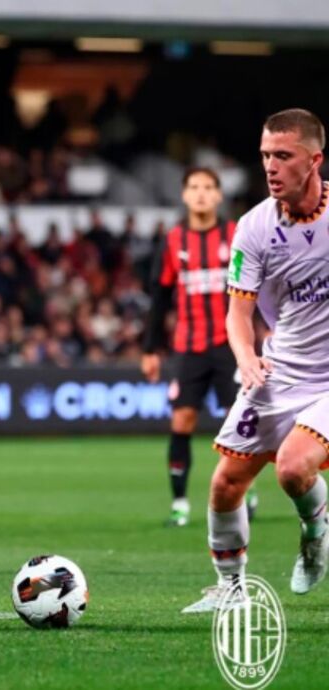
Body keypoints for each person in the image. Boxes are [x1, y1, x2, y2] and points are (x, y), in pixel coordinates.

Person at [183, 109, 329, 613]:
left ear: (314, 161)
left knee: (292, 468)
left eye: (283, 155)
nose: (270, 165)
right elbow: (237, 314)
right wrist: (246, 358)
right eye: (266, 154)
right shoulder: (253, 227)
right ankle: (232, 587)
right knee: (226, 482)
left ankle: (315, 532)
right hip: (279, 369)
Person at [141, 168, 253, 527]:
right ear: (185, 195)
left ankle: (244, 491)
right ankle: (180, 504)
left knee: (237, 422)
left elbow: (259, 287)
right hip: (188, 347)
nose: (202, 194)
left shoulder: (235, 234)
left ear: (219, 196)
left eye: (208, 187)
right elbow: (159, 298)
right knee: (182, 419)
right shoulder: (174, 240)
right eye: (194, 187)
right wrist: (150, 349)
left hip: (230, 345)